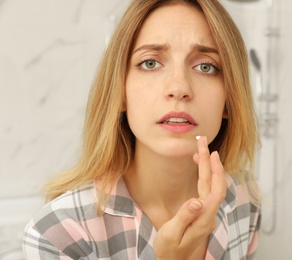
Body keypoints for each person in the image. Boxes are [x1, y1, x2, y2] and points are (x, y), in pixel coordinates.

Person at [22, 0, 261, 259]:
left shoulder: (243, 198)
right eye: (150, 63)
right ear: (120, 92)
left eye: (205, 66)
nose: (179, 87)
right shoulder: (58, 234)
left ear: (230, 99)